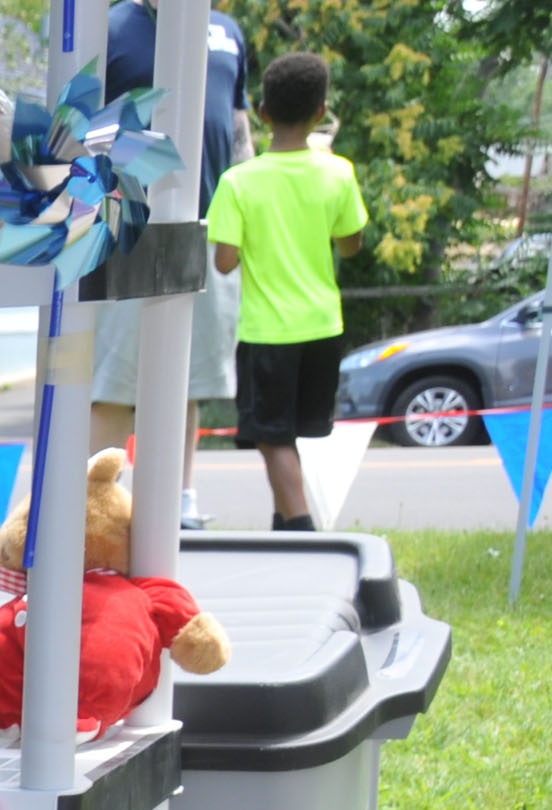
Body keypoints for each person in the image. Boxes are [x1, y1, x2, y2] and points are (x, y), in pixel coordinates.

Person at [90, 0, 253, 528]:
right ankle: (98, 504)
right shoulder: (110, 26)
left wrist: (245, 211)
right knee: (113, 383)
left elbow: (239, 127)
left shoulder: (226, 32)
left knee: (186, 377)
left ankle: (179, 501)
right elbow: (78, 127)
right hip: (124, 222)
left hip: (207, 225)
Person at [207, 52, 367, 531]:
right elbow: (352, 244)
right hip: (323, 326)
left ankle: (301, 528)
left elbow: (224, 261)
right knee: (292, 433)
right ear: (321, 112)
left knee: (271, 437)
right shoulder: (338, 172)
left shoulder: (238, 182)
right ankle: (283, 523)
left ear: (262, 113)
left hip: (267, 332)